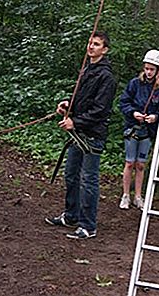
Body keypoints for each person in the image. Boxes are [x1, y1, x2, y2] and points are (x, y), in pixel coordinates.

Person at [45, 31, 117, 240]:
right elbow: (82, 98)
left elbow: (100, 109)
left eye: (96, 44)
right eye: (90, 43)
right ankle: (72, 215)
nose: (91, 47)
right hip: (78, 134)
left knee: (88, 180)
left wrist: (75, 121)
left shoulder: (106, 77)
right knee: (71, 175)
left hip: (92, 135)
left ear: (104, 49)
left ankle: (88, 225)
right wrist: (68, 105)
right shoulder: (87, 70)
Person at [118, 50, 159, 210]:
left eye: (152, 69)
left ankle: (138, 196)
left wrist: (155, 117)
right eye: (146, 68)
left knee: (140, 164)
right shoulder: (134, 84)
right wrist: (133, 112)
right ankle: (126, 195)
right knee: (130, 162)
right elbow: (123, 102)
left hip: (147, 130)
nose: (149, 72)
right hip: (132, 127)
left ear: (158, 70)